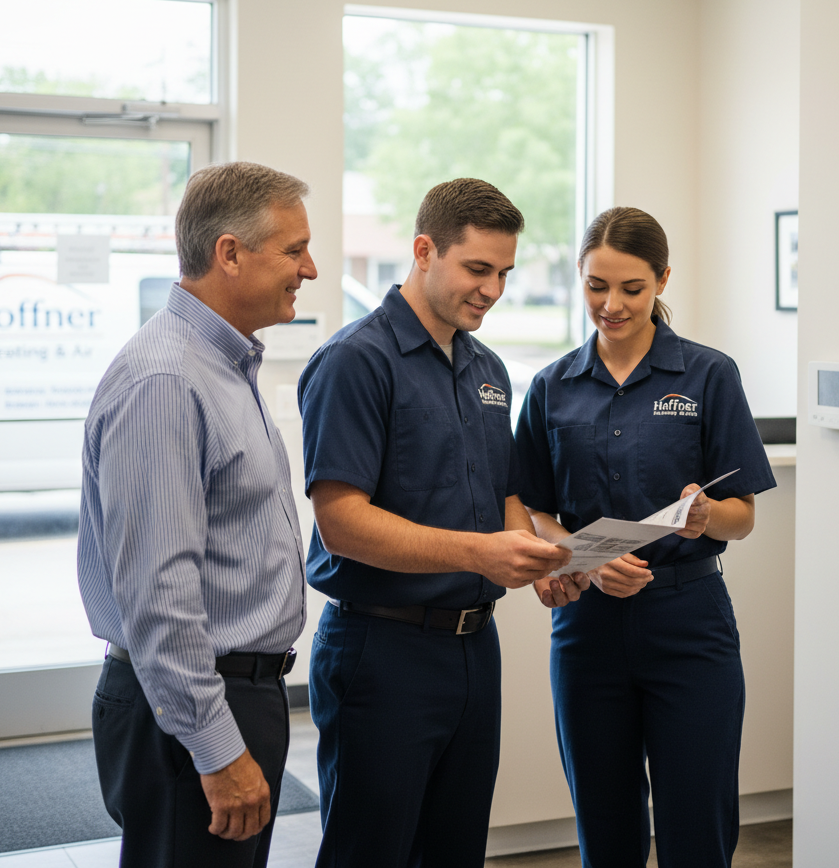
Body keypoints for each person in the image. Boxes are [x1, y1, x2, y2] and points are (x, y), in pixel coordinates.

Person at [299, 178, 577, 868]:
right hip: (381, 650)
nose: (493, 290)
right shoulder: (355, 362)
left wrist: (544, 559)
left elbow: (505, 494)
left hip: (473, 650)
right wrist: (482, 553)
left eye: (505, 274)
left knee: (455, 851)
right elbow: (343, 525)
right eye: (477, 269)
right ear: (424, 251)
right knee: (373, 852)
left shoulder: (489, 370)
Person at [515, 206, 777, 868]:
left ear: (661, 280)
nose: (612, 304)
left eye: (632, 288)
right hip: (588, 630)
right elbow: (533, 510)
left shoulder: (708, 375)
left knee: (698, 819)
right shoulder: (550, 388)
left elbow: (742, 514)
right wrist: (584, 557)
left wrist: (705, 514)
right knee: (604, 822)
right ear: (578, 276)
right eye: (596, 285)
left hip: (690, 623)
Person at [77, 161, 318, 868]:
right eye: (294, 249)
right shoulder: (167, 381)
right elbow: (158, 595)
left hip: (234, 693)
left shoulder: (224, 366)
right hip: (190, 707)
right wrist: (217, 751)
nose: (310, 267)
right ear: (230, 253)